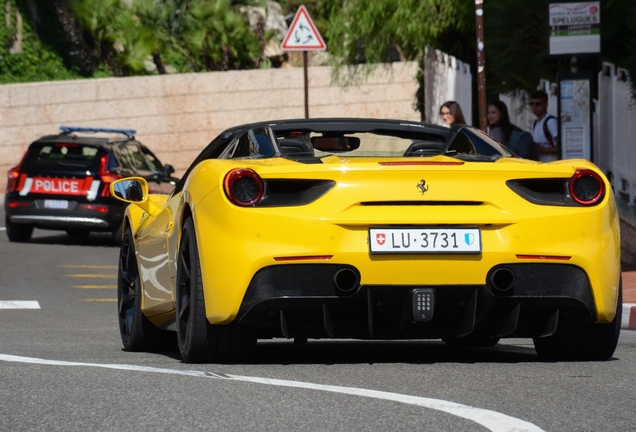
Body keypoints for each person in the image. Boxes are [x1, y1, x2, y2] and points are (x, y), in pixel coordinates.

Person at [530, 90, 559, 162]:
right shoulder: (536, 123)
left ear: (546, 105)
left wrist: (541, 150)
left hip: (553, 165)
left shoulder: (550, 122)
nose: (534, 107)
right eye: (531, 104)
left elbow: (561, 147)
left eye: (538, 104)